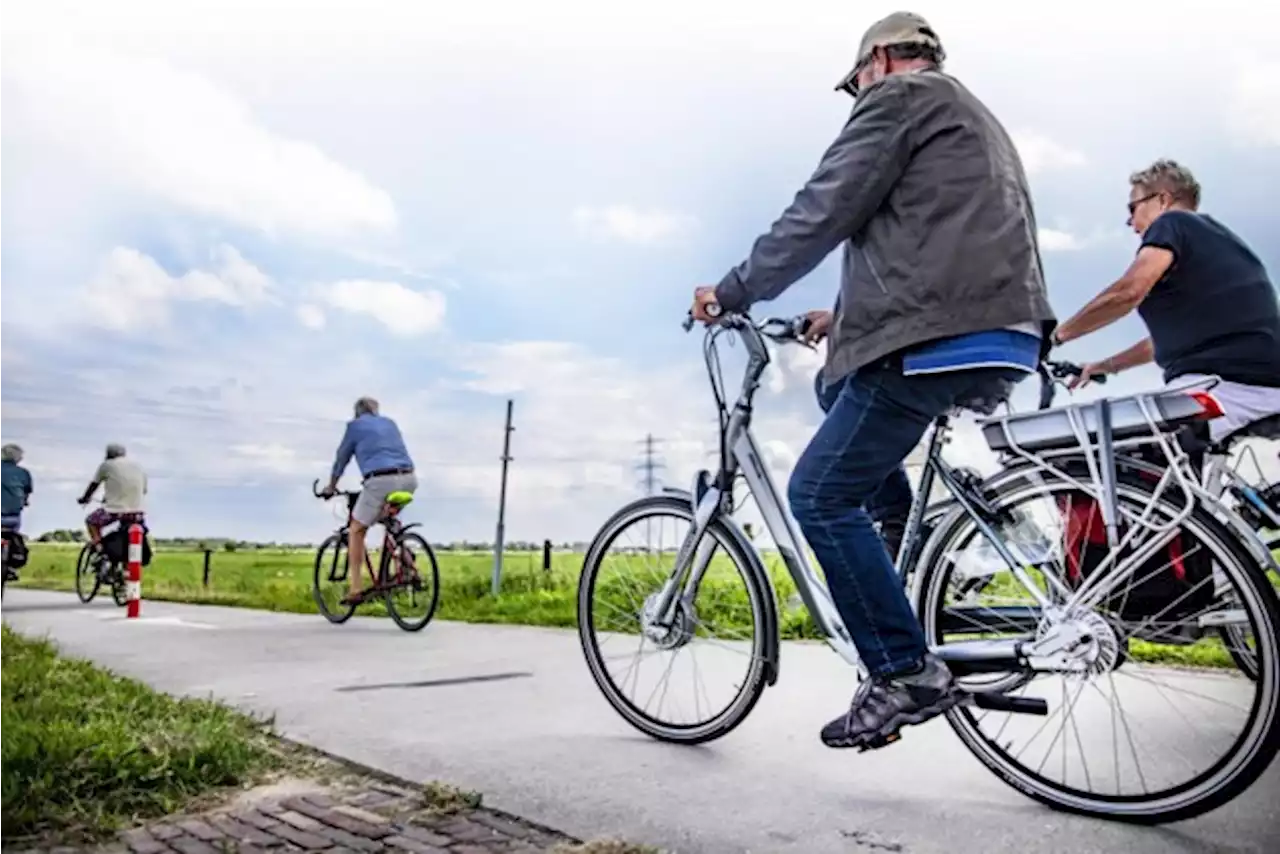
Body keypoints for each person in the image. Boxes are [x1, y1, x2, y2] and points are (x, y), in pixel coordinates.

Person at [691, 11, 1055, 750]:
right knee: (836, 391)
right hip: (999, 327)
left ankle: (900, 671)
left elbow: (822, 208)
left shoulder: (900, 101)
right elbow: (936, 236)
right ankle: (897, 538)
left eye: (854, 82)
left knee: (818, 496)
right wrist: (845, 314)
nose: (855, 96)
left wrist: (733, 291)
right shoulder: (971, 115)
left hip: (938, 334)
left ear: (882, 60)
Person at [1053, 159, 1280, 447]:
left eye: (1132, 208)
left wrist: (1056, 338)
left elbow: (1128, 292)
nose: (1129, 221)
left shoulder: (1172, 223)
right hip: (1256, 382)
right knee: (1167, 474)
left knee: (1123, 451)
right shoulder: (1220, 241)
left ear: (1162, 199)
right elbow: (1160, 343)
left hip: (1225, 384)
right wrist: (1103, 366)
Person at [320, 396, 417, 605]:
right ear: (375, 410)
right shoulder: (390, 423)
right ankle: (407, 564)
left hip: (380, 481)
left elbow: (341, 458)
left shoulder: (354, 427)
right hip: (409, 479)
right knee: (388, 522)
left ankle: (355, 589)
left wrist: (331, 486)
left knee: (356, 529)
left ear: (357, 412)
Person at [77, 443, 148, 551]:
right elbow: (144, 491)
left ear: (108, 455)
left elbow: (94, 485)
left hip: (114, 511)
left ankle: (98, 545)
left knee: (91, 521)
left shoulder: (106, 465)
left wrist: (85, 498)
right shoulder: (138, 467)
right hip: (137, 513)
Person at [0, 443, 33, 580]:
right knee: (13, 533)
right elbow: (26, 492)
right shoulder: (24, 473)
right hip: (13, 515)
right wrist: (23, 501)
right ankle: (11, 568)